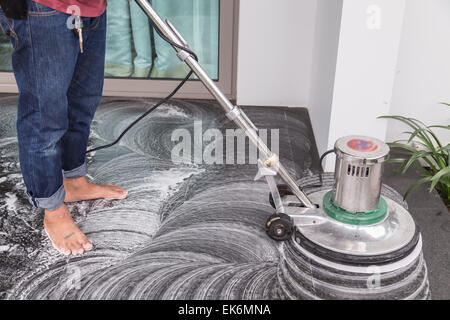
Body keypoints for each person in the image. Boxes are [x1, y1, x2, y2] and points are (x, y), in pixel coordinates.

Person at [0, 0, 128, 256]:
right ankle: (53, 208)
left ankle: (73, 180)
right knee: (44, 114)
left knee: (83, 100)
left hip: (92, 7)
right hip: (43, 8)